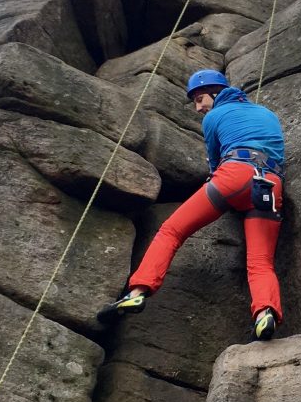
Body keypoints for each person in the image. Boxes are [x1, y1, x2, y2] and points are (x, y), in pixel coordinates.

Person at [97, 69, 285, 341]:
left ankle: (137, 292)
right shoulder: (268, 114)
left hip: (233, 175)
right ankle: (265, 313)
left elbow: (214, 162)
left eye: (200, 99)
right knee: (261, 262)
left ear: (216, 93)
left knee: (171, 231)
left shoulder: (214, 117)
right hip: (269, 183)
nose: (198, 108)